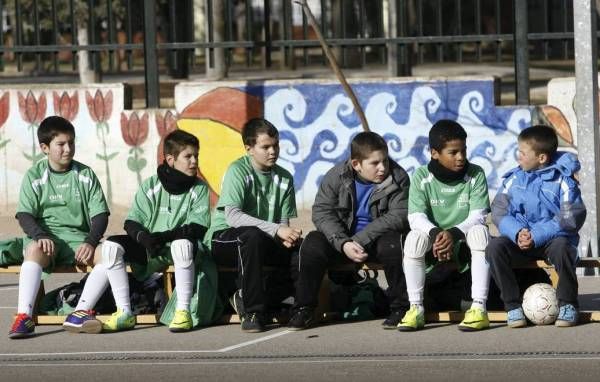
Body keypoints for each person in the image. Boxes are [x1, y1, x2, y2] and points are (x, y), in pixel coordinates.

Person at [62, 129, 210, 333]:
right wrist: (144, 238)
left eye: (196, 156)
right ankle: (124, 313)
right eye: (188, 156)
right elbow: (131, 222)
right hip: (152, 248)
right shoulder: (151, 185)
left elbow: (197, 227)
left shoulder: (199, 188)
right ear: (170, 159)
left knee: (182, 244)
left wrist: (161, 237)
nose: (194, 161)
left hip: (179, 248)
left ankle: (182, 312)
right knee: (111, 246)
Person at [288, 131, 411, 330]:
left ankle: (400, 308)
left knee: (392, 244)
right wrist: (343, 242)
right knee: (312, 243)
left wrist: (359, 240)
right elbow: (321, 212)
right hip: (342, 242)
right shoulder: (336, 176)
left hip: (376, 241)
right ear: (356, 164)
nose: (383, 168)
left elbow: (398, 216)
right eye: (375, 163)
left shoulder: (398, 177)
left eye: (385, 161)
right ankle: (304, 309)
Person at [9, 116, 110, 339]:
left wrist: (91, 241)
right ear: (45, 148)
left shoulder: (85, 174)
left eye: (71, 143)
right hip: (47, 241)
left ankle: (80, 312)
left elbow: (101, 215)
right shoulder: (35, 176)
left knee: (109, 255)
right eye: (61, 144)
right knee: (33, 250)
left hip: (79, 241)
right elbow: (25, 215)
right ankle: (24, 317)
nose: (68, 149)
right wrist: (39, 235)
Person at [206, 118, 301, 333]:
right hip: (224, 238)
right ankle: (253, 312)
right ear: (249, 148)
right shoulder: (237, 171)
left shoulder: (285, 178)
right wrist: (277, 230)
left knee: (305, 249)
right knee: (251, 237)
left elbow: (283, 223)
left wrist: (286, 236)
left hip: (261, 239)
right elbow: (233, 217)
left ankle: (298, 306)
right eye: (265, 147)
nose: (272, 151)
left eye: (275, 145)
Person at [486, 125, 586, 328]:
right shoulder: (514, 178)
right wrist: (517, 233)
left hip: (553, 240)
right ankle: (512, 306)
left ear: (541, 158)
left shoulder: (564, 180)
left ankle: (568, 304)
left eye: (523, 153)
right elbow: (499, 211)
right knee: (494, 248)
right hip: (521, 240)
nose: (518, 157)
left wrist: (536, 235)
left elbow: (570, 217)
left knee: (562, 248)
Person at [398, 119, 491, 332]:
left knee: (480, 233)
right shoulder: (422, 176)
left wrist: (452, 234)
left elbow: (478, 215)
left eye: (464, 150)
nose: (461, 157)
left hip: (462, 242)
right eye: (453, 152)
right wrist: (439, 234)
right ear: (434, 153)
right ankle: (415, 309)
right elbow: (416, 217)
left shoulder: (476, 174)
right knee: (413, 238)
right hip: (435, 242)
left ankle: (479, 308)